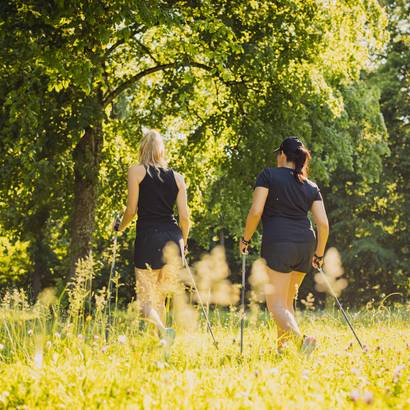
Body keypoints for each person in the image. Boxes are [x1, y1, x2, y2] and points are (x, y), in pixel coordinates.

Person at [240, 136, 329, 352]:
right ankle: (282, 350)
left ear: (282, 154)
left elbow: (256, 211)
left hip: (280, 244)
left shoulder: (268, 175)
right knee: (287, 304)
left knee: (275, 305)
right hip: (306, 246)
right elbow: (323, 224)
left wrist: (245, 239)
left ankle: (302, 343)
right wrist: (318, 254)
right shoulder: (310, 186)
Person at [115, 129, 190, 344]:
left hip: (149, 236)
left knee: (145, 301)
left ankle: (162, 332)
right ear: (161, 150)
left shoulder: (136, 172)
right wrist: (184, 242)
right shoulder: (177, 178)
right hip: (173, 238)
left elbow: (131, 210)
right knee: (159, 300)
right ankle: (161, 347)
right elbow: (184, 217)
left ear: (142, 149)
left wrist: (120, 227)